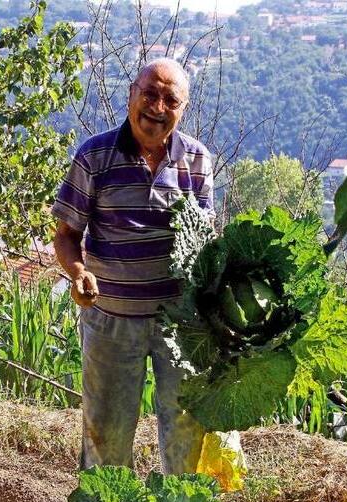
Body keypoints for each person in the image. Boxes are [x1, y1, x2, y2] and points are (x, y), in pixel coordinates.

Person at [52, 58, 214, 474]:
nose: (157, 107)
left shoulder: (197, 160)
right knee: (105, 437)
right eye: (150, 94)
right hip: (111, 320)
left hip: (180, 326)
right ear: (131, 96)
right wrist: (79, 273)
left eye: (170, 100)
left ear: (183, 109)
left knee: (186, 439)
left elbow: (206, 246)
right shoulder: (94, 156)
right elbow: (66, 235)